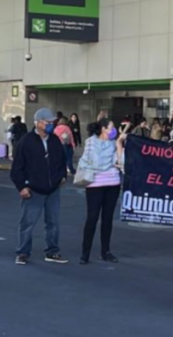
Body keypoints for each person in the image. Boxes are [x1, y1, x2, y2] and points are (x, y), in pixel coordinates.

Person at [12, 107, 69, 265]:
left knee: (53, 223)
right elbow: (17, 167)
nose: (51, 125)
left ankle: (52, 251)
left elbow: (61, 160)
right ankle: (23, 252)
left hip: (53, 189)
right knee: (27, 223)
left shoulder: (54, 140)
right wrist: (22, 186)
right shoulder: (26, 141)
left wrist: (62, 176)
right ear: (38, 123)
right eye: (48, 122)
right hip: (33, 190)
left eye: (52, 122)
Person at [78, 118, 124, 264]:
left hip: (113, 183)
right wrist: (112, 162)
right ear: (103, 128)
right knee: (92, 218)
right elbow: (95, 161)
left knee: (107, 219)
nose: (114, 130)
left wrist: (119, 145)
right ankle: (85, 253)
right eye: (111, 127)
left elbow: (121, 162)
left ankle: (106, 251)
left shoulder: (114, 143)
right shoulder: (91, 142)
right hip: (95, 184)